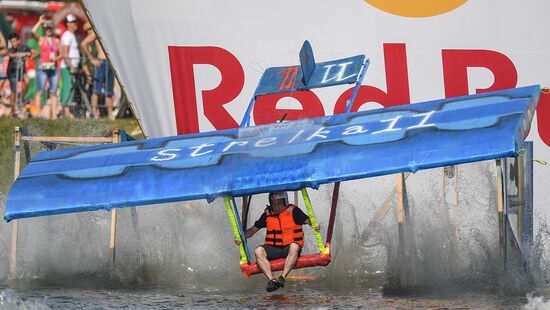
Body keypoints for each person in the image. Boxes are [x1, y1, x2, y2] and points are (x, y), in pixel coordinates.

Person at [236, 191, 320, 292]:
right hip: (274, 249)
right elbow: (253, 230)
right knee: (258, 250)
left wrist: (315, 225)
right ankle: (271, 280)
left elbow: (308, 221)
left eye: (279, 204)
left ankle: (282, 278)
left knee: (294, 246)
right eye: (274, 204)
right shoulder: (267, 214)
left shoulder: (294, 211)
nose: (276, 207)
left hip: (290, 248)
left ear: (285, 202)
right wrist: (241, 238)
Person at [80, 22, 115, 119]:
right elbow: (83, 44)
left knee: (109, 91)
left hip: (111, 63)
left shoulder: (110, 32)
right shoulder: (97, 32)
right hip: (101, 62)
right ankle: (94, 113)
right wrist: (92, 59)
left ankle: (110, 114)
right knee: (96, 90)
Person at [32, 16, 60, 119]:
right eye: (46, 29)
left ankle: (54, 116)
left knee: (53, 92)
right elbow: (33, 31)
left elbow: (61, 55)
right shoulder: (41, 39)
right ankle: (39, 114)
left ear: (52, 30)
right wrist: (39, 22)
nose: (48, 30)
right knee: (40, 91)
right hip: (42, 67)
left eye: (50, 29)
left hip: (53, 67)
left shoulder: (56, 40)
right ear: (44, 30)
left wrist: (56, 58)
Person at [6, 32, 37, 118]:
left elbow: (35, 52)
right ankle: (12, 112)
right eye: (11, 42)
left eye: (14, 41)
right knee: (13, 91)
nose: (13, 44)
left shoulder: (24, 47)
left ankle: (20, 99)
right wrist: (24, 54)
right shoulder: (11, 48)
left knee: (27, 80)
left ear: (19, 41)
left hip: (21, 71)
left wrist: (31, 56)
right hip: (12, 72)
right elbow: (11, 55)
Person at [59, 14, 80, 118]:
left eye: (75, 21)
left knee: (70, 89)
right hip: (68, 67)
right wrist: (71, 66)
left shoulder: (71, 35)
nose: (75, 24)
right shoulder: (67, 35)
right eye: (73, 22)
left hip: (70, 67)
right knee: (67, 89)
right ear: (68, 24)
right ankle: (65, 113)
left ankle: (67, 112)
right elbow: (65, 53)